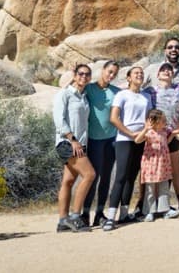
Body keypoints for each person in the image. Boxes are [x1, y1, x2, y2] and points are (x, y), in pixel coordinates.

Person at [102, 65, 152, 231]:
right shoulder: (122, 95)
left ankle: (124, 214)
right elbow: (114, 118)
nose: (139, 75)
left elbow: (149, 118)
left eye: (141, 73)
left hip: (141, 139)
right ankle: (110, 217)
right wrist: (131, 134)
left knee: (132, 176)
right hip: (125, 138)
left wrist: (144, 133)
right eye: (136, 73)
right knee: (121, 176)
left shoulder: (146, 96)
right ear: (128, 78)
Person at [147, 62, 179, 212]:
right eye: (163, 70)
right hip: (155, 136)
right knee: (154, 168)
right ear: (158, 74)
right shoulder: (150, 91)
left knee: (176, 168)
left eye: (169, 70)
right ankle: (150, 204)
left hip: (172, 134)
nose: (167, 72)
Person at [53, 63, 95, 232]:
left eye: (87, 74)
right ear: (75, 75)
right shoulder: (64, 94)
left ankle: (63, 220)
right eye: (81, 74)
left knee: (68, 181)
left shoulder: (84, 96)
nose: (84, 77)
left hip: (80, 144)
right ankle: (75, 216)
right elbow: (59, 120)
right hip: (68, 143)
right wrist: (72, 139)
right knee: (90, 175)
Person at [83, 61, 119, 227]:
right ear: (103, 70)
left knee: (106, 177)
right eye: (109, 72)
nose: (110, 76)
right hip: (94, 140)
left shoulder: (116, 92)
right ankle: (84, 213)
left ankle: (99, 213)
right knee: (93, 177)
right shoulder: (89, 88)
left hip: (111, 140)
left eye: (114, 74)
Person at [138, 109, 179, 221]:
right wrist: (145, 129)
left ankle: (165, 210)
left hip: (163, 164)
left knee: (164, 187)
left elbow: (166, 141)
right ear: (155, 121)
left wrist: (173, 135)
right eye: (163, 120)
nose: (165, 122)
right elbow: (137, 140)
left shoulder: (164, 132)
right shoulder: (149, 133)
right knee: (150, 189)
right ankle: (149, 212)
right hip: (151, 164)